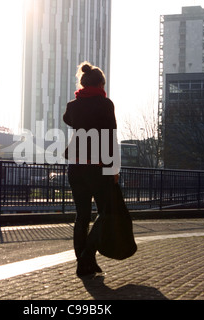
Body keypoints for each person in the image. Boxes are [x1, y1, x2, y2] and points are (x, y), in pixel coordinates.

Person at [63, 61, 120, 277]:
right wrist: (113, 168)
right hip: (97, 167)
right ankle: (86, 257)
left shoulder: (73, 105)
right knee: (107, 213)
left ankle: (84, 263)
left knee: (82, 216)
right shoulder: (106, 104)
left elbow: (67, 119)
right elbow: (110, 137)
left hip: (76, 167)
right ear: (101, 84)